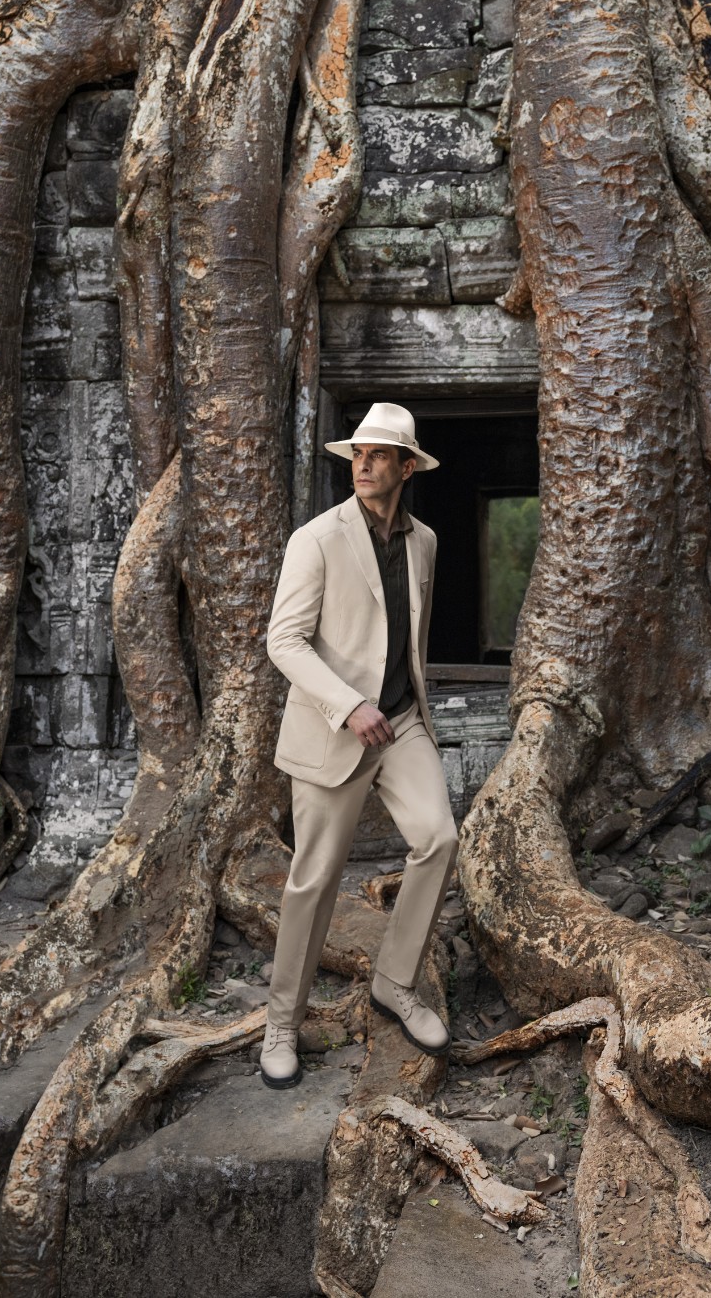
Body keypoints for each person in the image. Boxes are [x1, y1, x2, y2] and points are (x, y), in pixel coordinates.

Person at [259, 402, 457, 1089]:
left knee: (439, 838)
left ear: (407, 467)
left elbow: (408, 637)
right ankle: (282, 1024)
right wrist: (348, 706)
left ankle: (395, 983)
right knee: (313, 880)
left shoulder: (425, 541)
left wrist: (396, 707)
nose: (364, 465)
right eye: (358, 454)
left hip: (401, 722)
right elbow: (284, 641)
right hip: (332, 727)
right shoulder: (315, 539)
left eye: (378, 455)